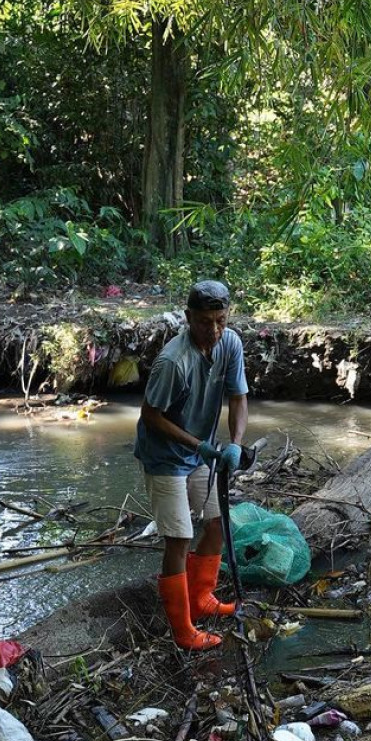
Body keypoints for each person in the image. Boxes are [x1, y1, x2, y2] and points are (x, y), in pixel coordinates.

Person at [135, 279, 248, 651]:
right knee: (180, 537)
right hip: (166, 455)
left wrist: (235, 443)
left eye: (220, 320)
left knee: (217, 523)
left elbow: (239, 398)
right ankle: (183, 630)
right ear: (188, 318)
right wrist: (199, 445)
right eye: (204, 322)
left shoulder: (229, 343)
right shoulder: (173, 362)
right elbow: (151, 416)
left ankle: (202, 598)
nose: (213, 330)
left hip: (203, 452)